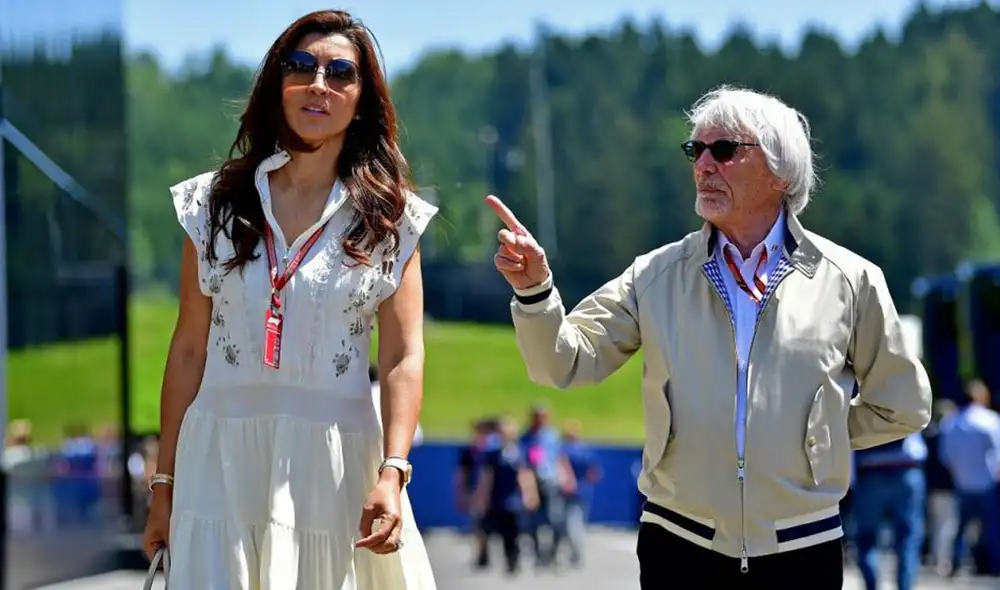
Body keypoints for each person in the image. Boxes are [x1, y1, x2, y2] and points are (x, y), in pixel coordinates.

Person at [486, 85, 932, 588]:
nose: (703, 165)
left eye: (723, 150)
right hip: (678, 545)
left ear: (780, 173)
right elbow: (561, 363)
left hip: (803, 547)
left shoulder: (851, 281)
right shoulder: (654, 275)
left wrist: (811, 438)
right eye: (695, 150)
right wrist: (535, 293)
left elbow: (904, 405)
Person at [141, 10, 438, 588]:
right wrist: (164, 485)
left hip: (336, 469)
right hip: (219, 461)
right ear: (277, 84)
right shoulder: (211, 204)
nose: (318, 84)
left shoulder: (392, 220)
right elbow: (187, 353)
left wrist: (393, 473)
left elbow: (404, 357)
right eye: (301, 67)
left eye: (340, 73)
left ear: (363, 98)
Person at [851, 433, 927, 590]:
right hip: (906, 469)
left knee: (867, 538)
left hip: (869, 470)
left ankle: (871, 586)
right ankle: (904, 586)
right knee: (908, 537)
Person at [939, 379, 1000, 576]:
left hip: (963, 482)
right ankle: (993, 565)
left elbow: (946, 456)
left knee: (961, 528)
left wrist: (958, 471)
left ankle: (956, 563)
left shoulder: (951, 422)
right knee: (991, 528)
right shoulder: (991, 421)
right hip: (987, 482)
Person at [473, 416, 539, 575]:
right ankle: (483, 557)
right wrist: (481, 497)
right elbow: (487, 477)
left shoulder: (519, 452)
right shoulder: (492, 453)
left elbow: (525, 475)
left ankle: (512, 560)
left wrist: (530, 494)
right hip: (496, 498)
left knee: (512, 533)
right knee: (485, 529)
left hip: (513, 500)